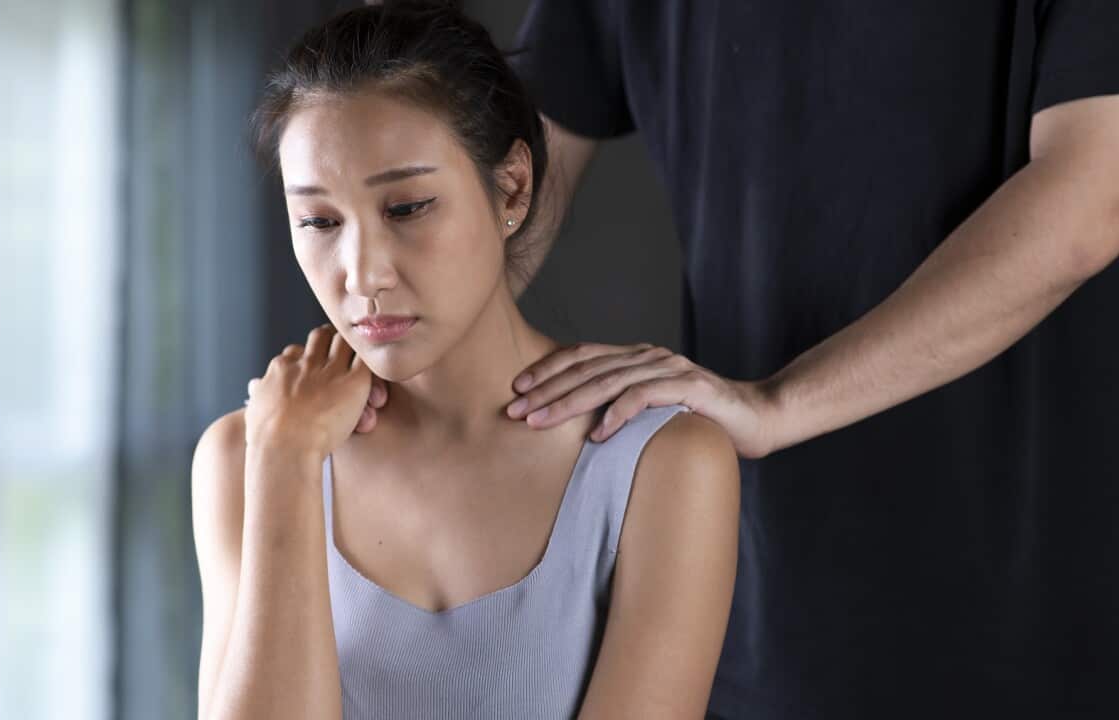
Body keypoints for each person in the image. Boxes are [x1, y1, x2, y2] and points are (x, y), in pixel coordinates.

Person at [471, 1, 1119, 718]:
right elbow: (517, 170)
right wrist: (383, 343)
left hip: (1067, 641)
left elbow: (1101, 194)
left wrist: (776, 404)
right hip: (768, 636)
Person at [189, 3, 740, 719]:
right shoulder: (245, 456)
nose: (363, 275)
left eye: (408, 207)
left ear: (511, 188)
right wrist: (287, 462)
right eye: (320, 221)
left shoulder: (662, 464)